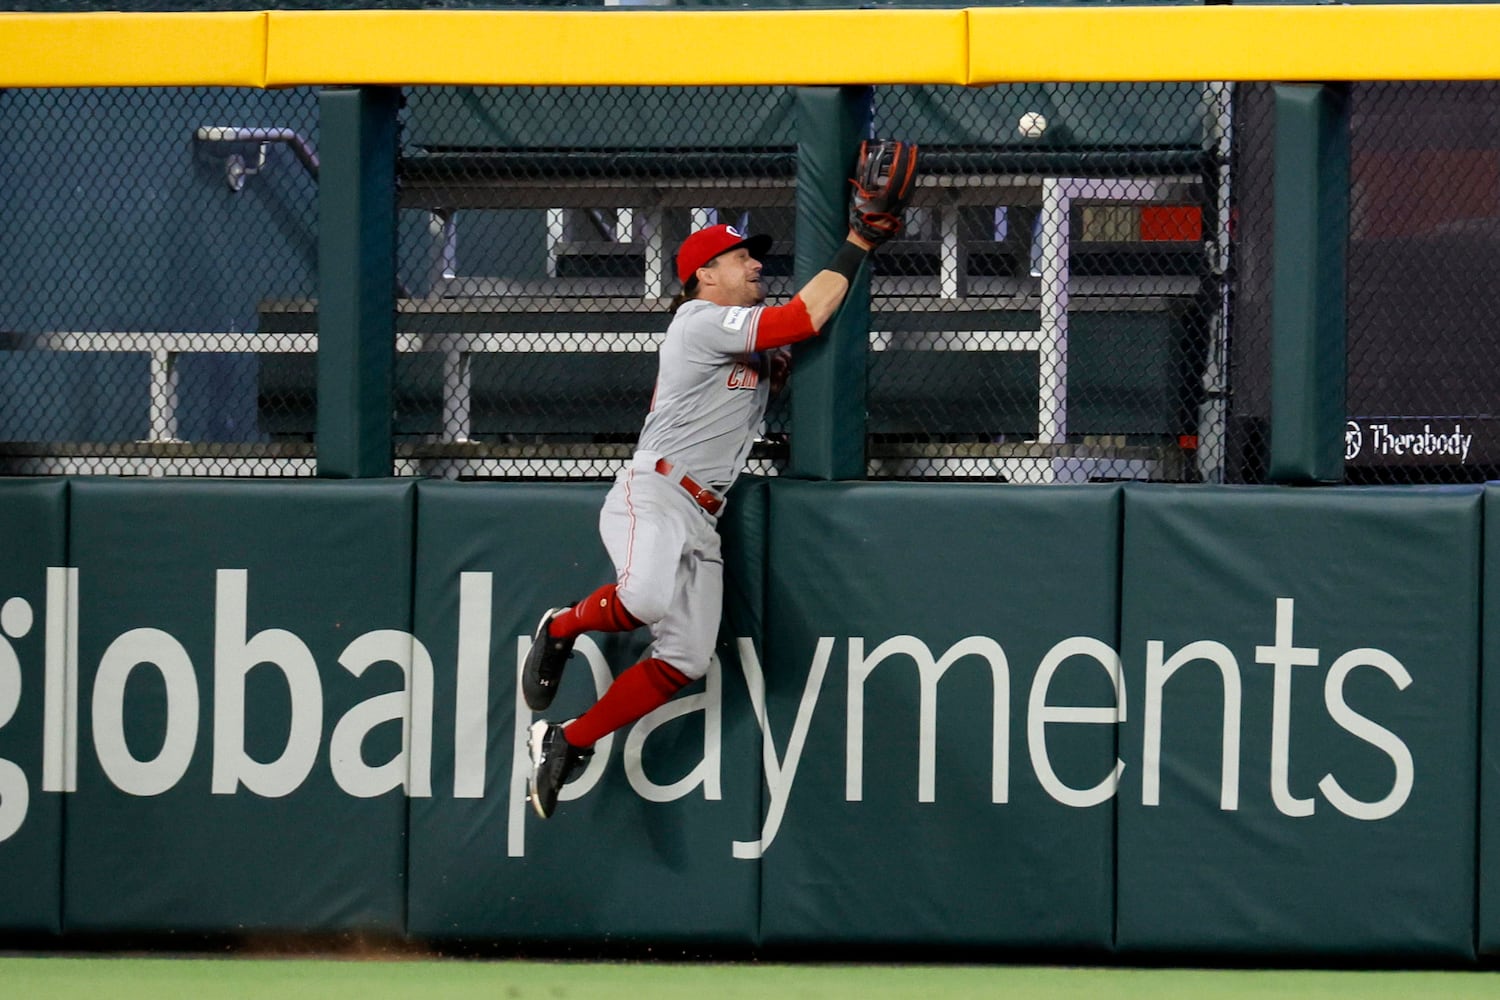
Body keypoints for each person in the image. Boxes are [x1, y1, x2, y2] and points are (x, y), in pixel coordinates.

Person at [523, 142, 916, 820]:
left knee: (686, 661)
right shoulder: (698, 322)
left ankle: (567, 740)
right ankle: (560, 628)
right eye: (741, 257)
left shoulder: (736, 342)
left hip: (702, 515)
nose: (756, 263)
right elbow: (804, 317)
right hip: (654, 492)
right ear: (705, 274)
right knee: (643, 599)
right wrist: (857, 240)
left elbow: (790, 337)